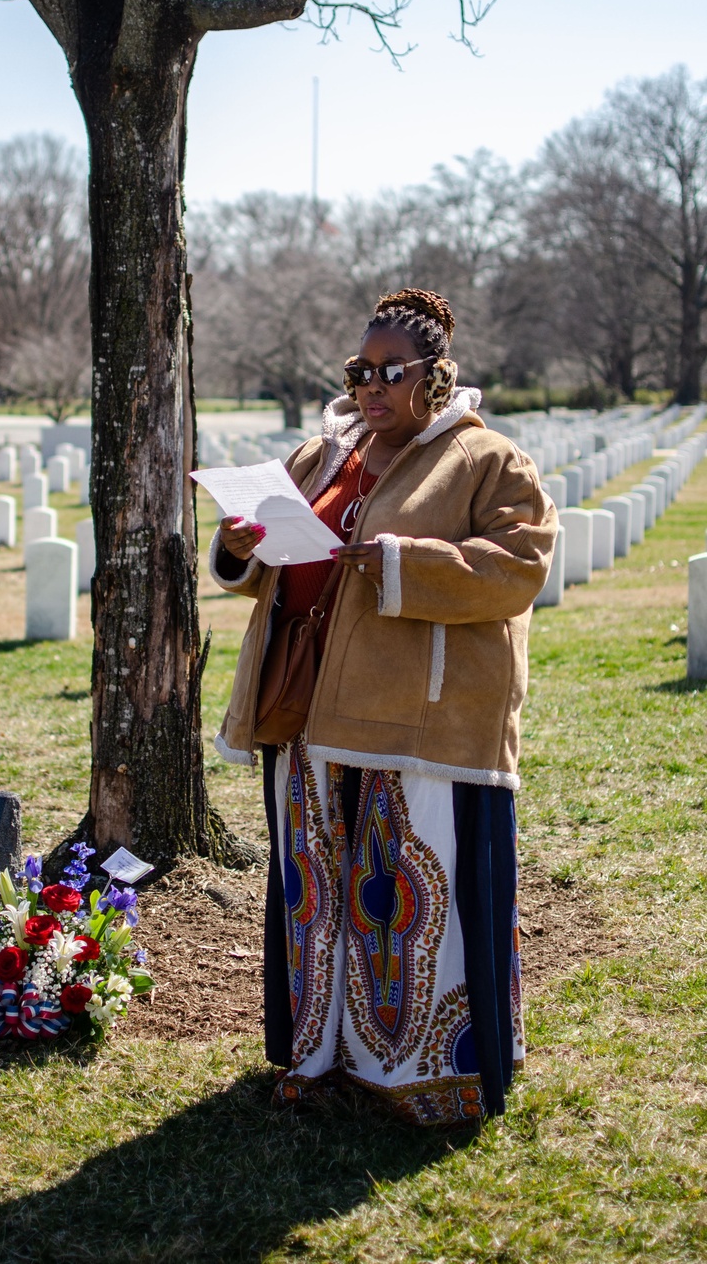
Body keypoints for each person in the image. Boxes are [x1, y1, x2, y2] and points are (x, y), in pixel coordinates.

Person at [209, 289, 557, 1125]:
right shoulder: (321, 455)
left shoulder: (487, 460)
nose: (370, 387)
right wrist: (240, 545)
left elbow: (522, 566)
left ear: (436, 377)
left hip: (417, 727)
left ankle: (425, 1076)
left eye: (388, 372)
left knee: (403, 904)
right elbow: (263, 564)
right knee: (319, 901)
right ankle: (321, 1055)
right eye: (358, 371)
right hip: (303, 713)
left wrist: (403, 560)